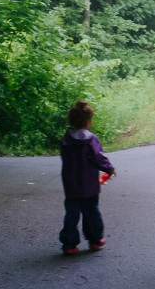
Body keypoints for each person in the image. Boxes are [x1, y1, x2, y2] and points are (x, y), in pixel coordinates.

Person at [59, 100, 116, 255]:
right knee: (92, 212)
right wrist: (109, 168)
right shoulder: (91, 139)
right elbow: (98, 157)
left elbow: (65, 159)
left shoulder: (66, 140)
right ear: (87, 121)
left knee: (71, 213)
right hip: (89, 184)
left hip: (70, 184)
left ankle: (69, 243)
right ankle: (95, 240)